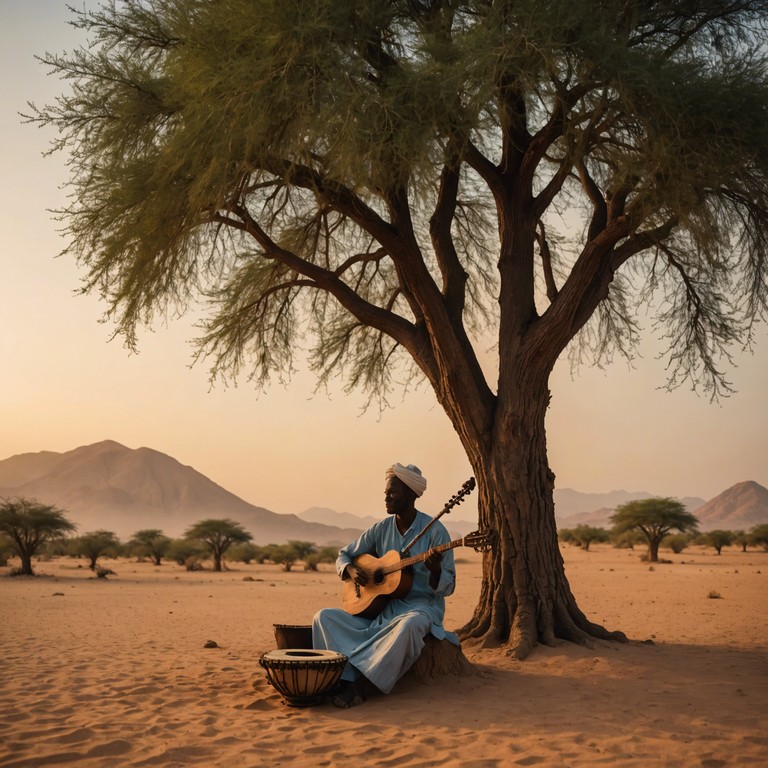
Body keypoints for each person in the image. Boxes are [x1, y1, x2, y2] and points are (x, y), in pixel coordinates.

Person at [312, 462, 458, 708]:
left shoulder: (436, 533)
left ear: (411, 495)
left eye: (393, 492)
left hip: (420, 608)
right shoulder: (380, 529)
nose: (386, 497)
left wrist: (434, 572)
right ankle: (337, 677)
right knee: (323, 617)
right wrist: (350, 570)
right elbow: (344, 555)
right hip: (381, 611)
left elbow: (449, 585)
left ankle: (362, 685)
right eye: (386, 492)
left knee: (411, 625)